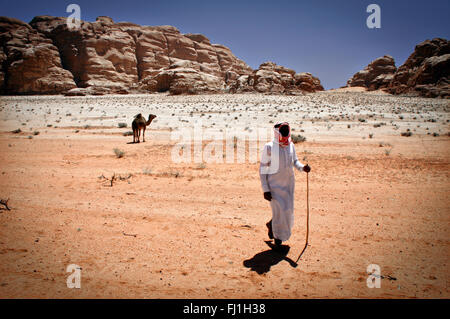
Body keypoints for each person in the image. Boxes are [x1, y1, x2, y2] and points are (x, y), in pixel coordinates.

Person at [259, 122, 310, 250]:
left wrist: (303, 168)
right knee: (278, 212)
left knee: (286, 210)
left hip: (288, 185)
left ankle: (271, 225)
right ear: (277, 132)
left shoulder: (291, 145)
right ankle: (277, 239)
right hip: (274, 187)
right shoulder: (269, 147)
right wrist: (265, 189)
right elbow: (263, 169)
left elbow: (295, 162)